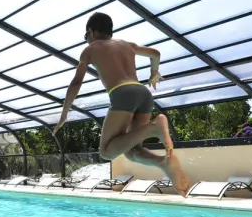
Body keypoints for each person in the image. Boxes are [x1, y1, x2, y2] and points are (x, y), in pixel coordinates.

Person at [52, 12, 190, 195]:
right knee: (132, 151)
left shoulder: (90, 49)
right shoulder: (127, 45)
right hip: (144, 94)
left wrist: (64, 113)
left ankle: (154, 128)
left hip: (122, 93)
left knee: (106, 152)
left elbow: (76, 83)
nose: (87, 40)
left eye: (86, 36)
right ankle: (163, 163)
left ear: (91, 32)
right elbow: (155, 54)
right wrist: (154, 72)